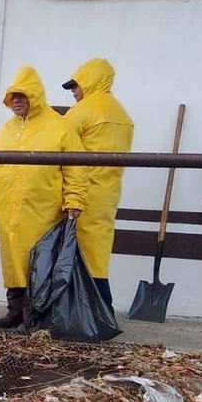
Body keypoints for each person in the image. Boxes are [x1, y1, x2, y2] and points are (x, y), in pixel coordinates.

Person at [0, 66, 88, 328]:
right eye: (13, 96)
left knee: (39, 263)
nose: (16, 101)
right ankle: (15, 311)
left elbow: (76, 169)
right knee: (13, 261)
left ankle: (35, 317)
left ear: (35, 96)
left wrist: (74, 201)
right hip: (8, 212)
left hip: (44, 212)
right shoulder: (3, 132)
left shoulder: (60, 128)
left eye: (22, 96)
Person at [62, 58, 135, 309]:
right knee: (98, 253)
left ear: (90, 82)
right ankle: (103, 310)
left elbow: (58, 144)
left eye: (76, 85)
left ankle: (87, 315)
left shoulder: (83, 111)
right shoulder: (122, 114)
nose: (74, 91)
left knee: (75, 252)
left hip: (81, 193)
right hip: (109, 192)